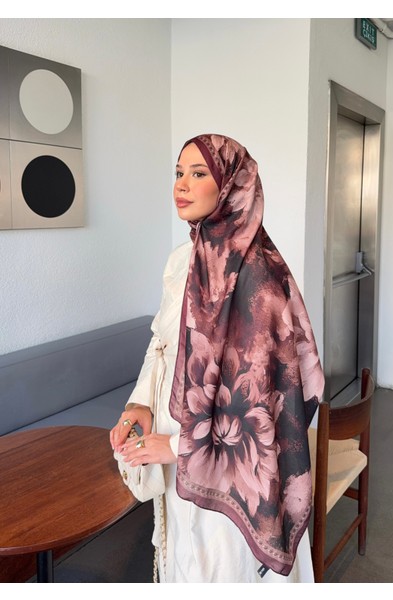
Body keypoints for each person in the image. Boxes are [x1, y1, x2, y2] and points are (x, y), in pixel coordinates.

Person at [110, 134, 325, 583]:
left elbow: (256, 402)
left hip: (228, 470)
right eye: (178, 172)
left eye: (198, 173)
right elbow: (161, 343)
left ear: (231, 185)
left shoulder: (259, 276)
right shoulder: (180, 262)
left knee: (220, 567)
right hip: (175, 435)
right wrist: (139, 404)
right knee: (180, 561)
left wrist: (174, 448)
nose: (181, 184)